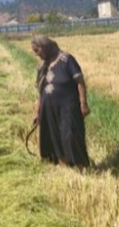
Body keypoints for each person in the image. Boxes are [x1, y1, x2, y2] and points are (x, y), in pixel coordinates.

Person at [31, 35, 90, 169]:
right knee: (54, 138)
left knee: (70, 136)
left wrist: (83, 103)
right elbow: (40, 93)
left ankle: (80, 167)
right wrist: (37, 112)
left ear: (45, 47)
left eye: (37, 50)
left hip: (68, 108)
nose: (36, 54)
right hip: (48, 110)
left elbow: (80, 82)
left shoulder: (67, 60)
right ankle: (63, 166)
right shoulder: (42, 68)